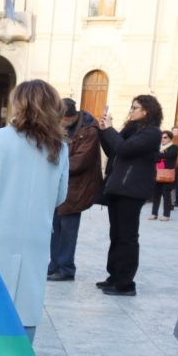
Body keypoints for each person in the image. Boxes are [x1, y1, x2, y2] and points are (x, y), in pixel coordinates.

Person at [0, 80, 68, 342]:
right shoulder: (60, 147)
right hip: (36, 234)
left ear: (18, 104)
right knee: (27, 302)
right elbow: (60, 196)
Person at [96, 95, 163, 296]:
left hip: (132, 190)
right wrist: (103, 131)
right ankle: (114, 276)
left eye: (135, 108)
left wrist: (110, 130)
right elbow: (113, 151)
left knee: (127, 237)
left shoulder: (152, 133)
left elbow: (124, 149)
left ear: (146, 111)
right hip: (118, 187)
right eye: (131, 107)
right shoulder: (133, 130)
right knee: (116, 235)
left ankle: (125, 283)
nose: (131, 111)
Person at [47, 98, 102, 281]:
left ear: (70, 116)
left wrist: (54, 165)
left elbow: (80, 162)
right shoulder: (58, 126)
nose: (60, 123)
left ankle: (66, 268)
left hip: (76, 188)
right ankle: (54, 264)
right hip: (58, 184)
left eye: (62, 119)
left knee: (68, 230)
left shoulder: (89, 130)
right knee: (55, 227)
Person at [149, 130, 178, 221]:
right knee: (156, 195)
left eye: (165, 137)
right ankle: (154, 214)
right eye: (161, 137)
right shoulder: (159, 147)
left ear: (170, 138)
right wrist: (162, 155)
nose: (162, 139)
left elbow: (170, 155)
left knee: (166, 195)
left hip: (167, 175)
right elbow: (154, 157)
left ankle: (166, 215)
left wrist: (160, 155)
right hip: (157, 174)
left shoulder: (174, 147)